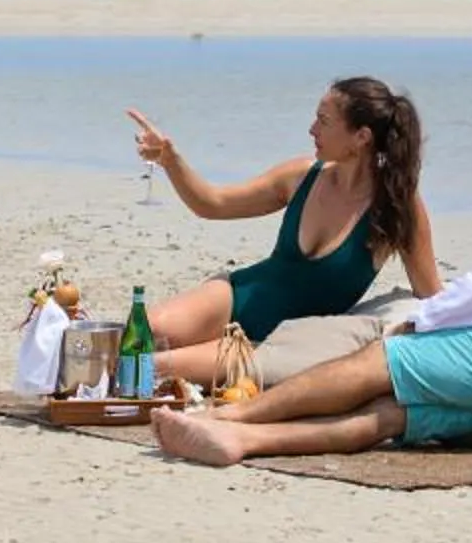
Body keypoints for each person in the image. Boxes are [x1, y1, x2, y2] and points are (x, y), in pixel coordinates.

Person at [152, 90, 472, 466]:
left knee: (381, 361)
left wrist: (420, 323)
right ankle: (247, 441)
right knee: (397, 414)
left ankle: (227, 418)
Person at [120, 76, 439, 388]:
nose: (312, 130)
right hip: (235, 297)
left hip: (276, 347)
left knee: (150, 366)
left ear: (361, 138)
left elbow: (431, 296)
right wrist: (171, 161)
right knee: (142, 334)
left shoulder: (397, 207)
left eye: (324, 121)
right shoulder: (302, 176)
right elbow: (213, 204)